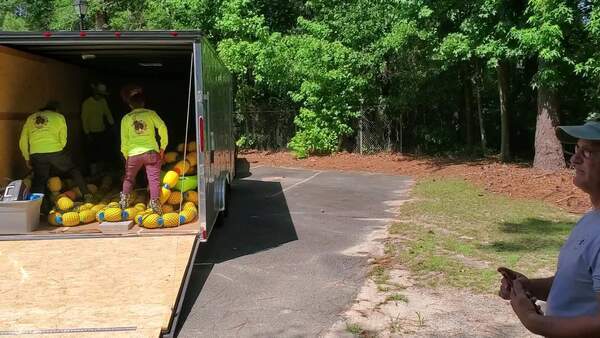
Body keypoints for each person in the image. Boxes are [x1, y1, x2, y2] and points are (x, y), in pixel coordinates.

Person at [498, 119, 600, 337]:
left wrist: (534, 322)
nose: (574, 159)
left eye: (588, 152)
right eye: (576, 149)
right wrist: (527, 287)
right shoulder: (590, 220)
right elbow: (577, 284)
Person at [19, 101, 91, 203]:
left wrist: (26, 157)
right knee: (73, 169)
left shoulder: (31, 118)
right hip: (55, 150)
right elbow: (63, 138)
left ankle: (37, 207)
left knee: (39, 180)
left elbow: (23, 140)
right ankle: (87, 194)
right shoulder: (59, 117)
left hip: (36, 153)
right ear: (56, 110)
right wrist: (58, 149)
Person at [119, 92, 168, 214]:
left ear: (130, 105)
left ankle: (124, 200)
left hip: (133, 154)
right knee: (153, 179)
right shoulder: (151, 114)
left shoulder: (126, 118)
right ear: (143, 103)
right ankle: (155, 203)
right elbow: (162, 127)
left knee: (129, 178)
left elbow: (124, 140)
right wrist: (163, 147)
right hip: (151, 152)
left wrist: (126, 155)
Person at [81, 82, 115, 175]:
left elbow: (108, 113)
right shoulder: (87, 103)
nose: (101, 96)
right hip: (91, 133)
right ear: (95, 93)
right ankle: (94, 174)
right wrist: (87, 133)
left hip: (102, 131)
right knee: (92, 154)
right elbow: (84, 119)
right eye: (100, 94)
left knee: (102, 153)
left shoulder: (103, 101)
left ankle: (101, 174)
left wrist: (112, 125)